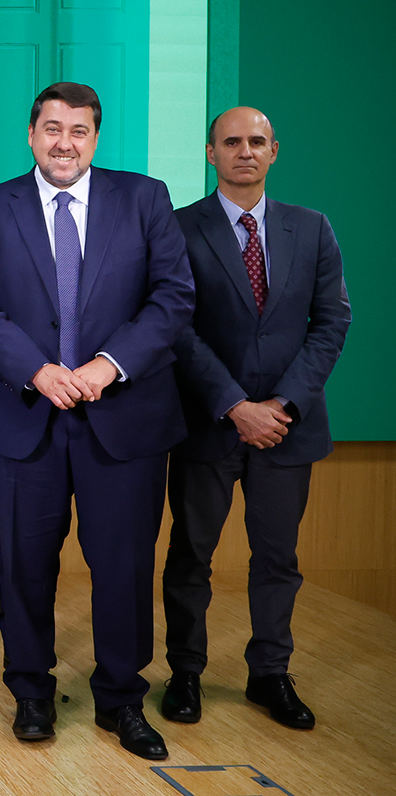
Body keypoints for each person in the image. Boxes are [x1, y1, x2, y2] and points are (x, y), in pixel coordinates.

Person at [0, 81, 194, 761]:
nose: (65, 143)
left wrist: (108, 366)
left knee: (123, 564)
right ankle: (31, 690)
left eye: (79, 131)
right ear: (31, 135)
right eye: (53, 129)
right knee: (23, 563)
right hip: (23, 414)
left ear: (95, 137)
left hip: (123, 414)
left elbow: (173, 297)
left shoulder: (144, 198)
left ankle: (121, 698)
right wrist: (38, 370)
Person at [160, 106, 350, 731]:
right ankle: (185, 672)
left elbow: (332, 322)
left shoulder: (312, 227)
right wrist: (236, 405)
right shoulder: (178, 227)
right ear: (210, 152)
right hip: (208, 422)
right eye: (232, 142)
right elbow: (175, 326)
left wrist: (284, 404)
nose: (246, 151)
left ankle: (270, 673)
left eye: (257, 142)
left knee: (278, 560)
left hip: (288, 427)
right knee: (191, 556)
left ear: (274, 151)